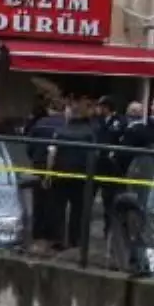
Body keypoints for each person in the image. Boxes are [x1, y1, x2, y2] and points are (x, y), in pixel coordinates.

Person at [45, 97, 96, 252]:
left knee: (58, 208)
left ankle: (58, 239)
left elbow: (51, 154)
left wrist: (48, 174)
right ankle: (76, 240)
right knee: (78, 210)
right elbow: (94, 155)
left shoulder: (60, 132)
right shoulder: (90, 133)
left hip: (60, 174)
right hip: (81, 177)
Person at [24, 97, 65, 247]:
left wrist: (35, 158)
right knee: (57, 202)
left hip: (39, 166)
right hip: (59, 168)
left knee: (39, 200)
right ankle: (54, 234)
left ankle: (38, 232)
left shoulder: (40, 123)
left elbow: (29, 145)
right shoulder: (66, 125)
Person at [92, 96, 125, 235]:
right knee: (88, 197)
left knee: (109, 200)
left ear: (106, 107)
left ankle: (109, 230)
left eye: (101, 106)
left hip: (110, 167)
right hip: (96, 164)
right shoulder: (97, 121)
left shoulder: (120, 122)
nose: (98, 109)